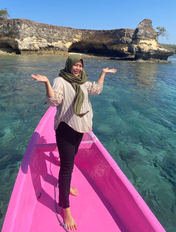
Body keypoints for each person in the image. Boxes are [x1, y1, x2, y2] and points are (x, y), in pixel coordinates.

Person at [31, 54, 117, 231]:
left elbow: (96, 89)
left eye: (80, 65)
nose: (77, 68)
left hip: (81, 127)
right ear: (68, 65)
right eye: (75, 65)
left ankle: (66, 184)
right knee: (67, 167)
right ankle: (66, 209)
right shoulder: (60, 80)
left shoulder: (82, 81)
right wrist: (47, 83)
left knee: (70, 160)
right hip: (66, 128)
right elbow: (54, 101)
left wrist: (103, 73)